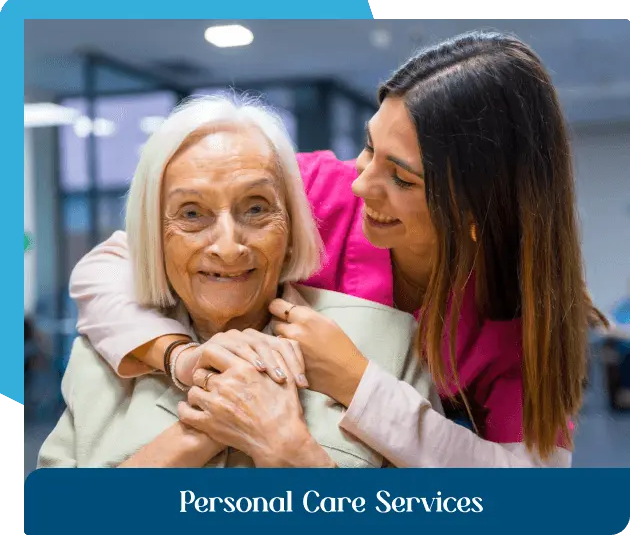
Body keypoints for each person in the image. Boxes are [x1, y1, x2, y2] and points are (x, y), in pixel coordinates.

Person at [68, 31, 607, 467]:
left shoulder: (514, 320)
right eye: (370, 146)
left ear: (473, 213)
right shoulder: (315, 191)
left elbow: (535, 491)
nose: (360, 184)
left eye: (400, 177)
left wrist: (358, 383)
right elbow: (112, 262)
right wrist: (180, 358)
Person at [37, 94, 440, 468]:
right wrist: (195, 434)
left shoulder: (389, 341)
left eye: (256, 208)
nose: (229, 247)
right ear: (153, 234)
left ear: (291, 227)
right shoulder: (104, 357)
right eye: (192, 214)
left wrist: (290, 452)